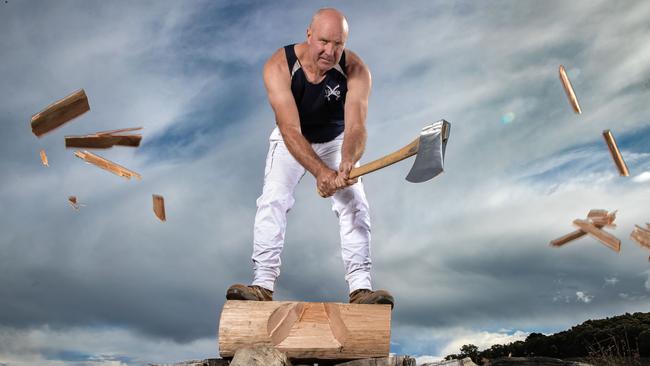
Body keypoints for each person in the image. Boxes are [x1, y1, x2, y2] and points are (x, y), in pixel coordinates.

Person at [226, 8, 394, 308]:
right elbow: (289, 129)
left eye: (338, 44)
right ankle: (262, 284)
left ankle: (361, 289)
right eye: (324, 41)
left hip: (336, 140)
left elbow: (356, 127)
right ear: (309, 34)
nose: (330, 51)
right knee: (273, 198)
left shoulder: (356, 70)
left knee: (354, 203)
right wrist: (320, 173)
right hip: (293, 138)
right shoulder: (279, 66)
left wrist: (346, 161)